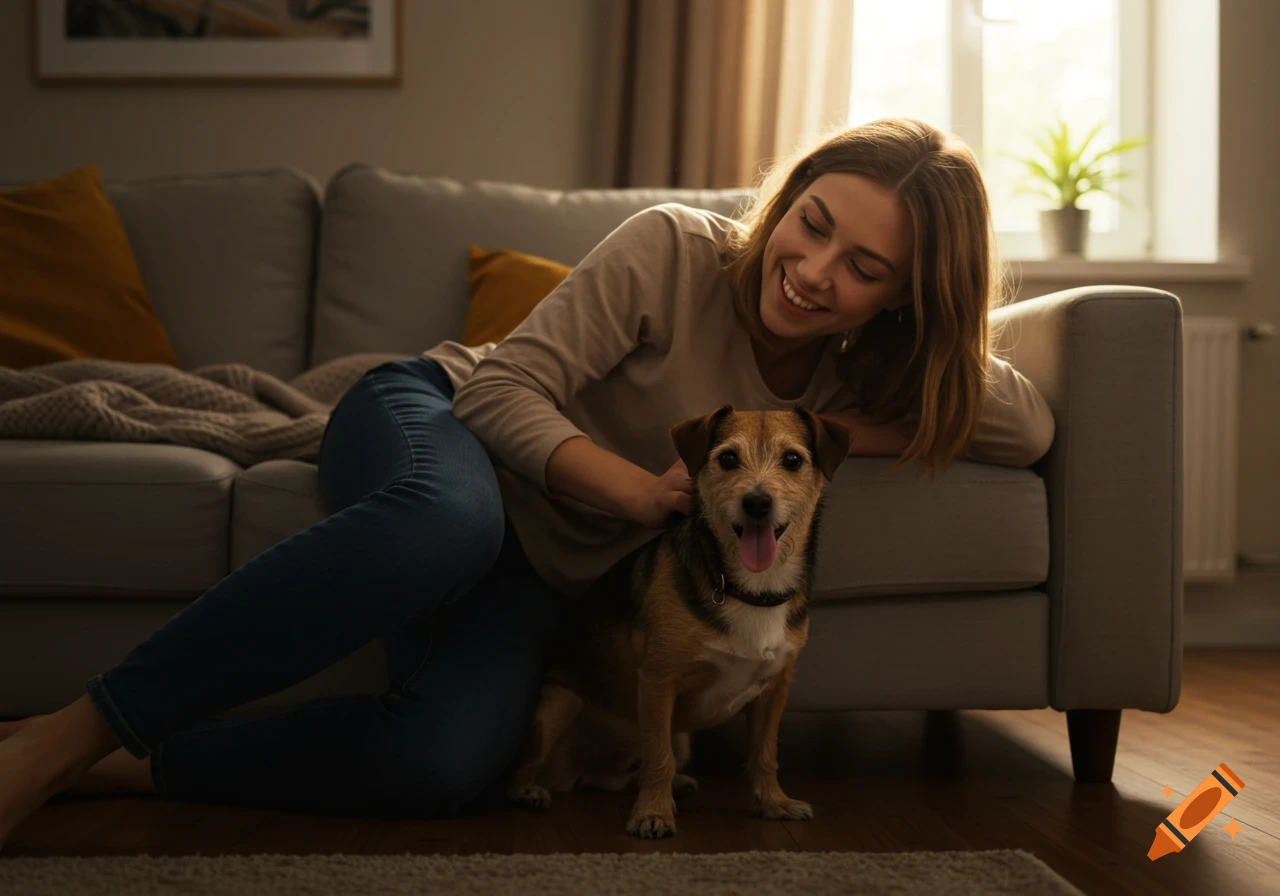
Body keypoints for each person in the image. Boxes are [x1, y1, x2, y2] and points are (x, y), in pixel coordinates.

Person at [0, 118, 1054, 844]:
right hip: (438, 421)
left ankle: (137, 764)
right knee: (451, 520)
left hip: (535, 570)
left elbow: (1020, 419)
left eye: (866, 268)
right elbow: (504, 393)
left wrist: (850, 425)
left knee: (441, 763)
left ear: (905, 296)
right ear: (790, 197)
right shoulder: (675, 249)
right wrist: (639, 495)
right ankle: (69, 731)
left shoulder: (842, 374)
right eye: (813, 221)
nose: (815, 269)